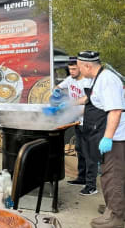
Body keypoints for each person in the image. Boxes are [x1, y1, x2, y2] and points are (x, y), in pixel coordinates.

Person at [75, 51, 125, 228]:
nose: (79, 70)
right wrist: (67, 105)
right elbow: (91, 100)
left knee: (113, 176)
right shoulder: (99, 78)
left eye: (80, 67)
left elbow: (115, 110)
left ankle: (116, 217)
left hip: (115, 138)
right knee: (109, 175)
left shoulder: (107, 80)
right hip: (106, 134)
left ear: (88, 66)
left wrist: (108, 138)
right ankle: (114, 207)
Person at [56, 57, 91, 190]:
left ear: (81, 68)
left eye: (74, 69)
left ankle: (90, 183)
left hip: (87, 121)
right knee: (80, 150)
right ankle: (81, 178)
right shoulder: (70, 79)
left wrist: (71, 113)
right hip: (77, 122)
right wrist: (56, 92)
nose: (71, 71)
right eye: (70, 69)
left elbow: (90, 102)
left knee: (88, 153)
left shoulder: (87, 82)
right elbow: (59, 87)